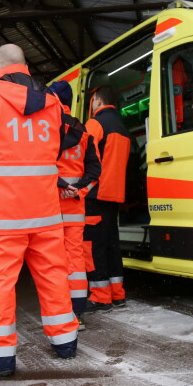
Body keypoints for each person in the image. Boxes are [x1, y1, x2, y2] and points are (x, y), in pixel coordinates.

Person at [0, 44, 79, 377]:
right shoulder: (53, 105)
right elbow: (56, 147)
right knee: (54, 276)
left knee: (2, 284)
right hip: (45, 211)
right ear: (24, 66)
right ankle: (65, 342)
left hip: (2, 213)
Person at [49, 81, 101, 330]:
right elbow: (95, 169)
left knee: (52, 260)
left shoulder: (46, 128)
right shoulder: (85, 133)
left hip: (49, 207)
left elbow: (40, 165)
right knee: (75, 259)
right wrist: (78, 190)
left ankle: (60, 313)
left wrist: (60, 185)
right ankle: (77, 313)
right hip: (75, 208)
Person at [83, 85, 131, 313]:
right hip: (113, 196)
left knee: (94, 248)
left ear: (98, 101)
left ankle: (101, 297)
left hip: (94, 194)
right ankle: (117, 294)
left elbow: (83, 158)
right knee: (112, 246)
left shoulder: (95, 124)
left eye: (92, 101)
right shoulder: (122, 127)